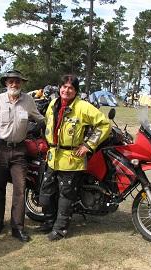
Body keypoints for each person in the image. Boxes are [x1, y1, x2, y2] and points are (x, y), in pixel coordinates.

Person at [38, 74, 111, 241]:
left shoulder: (83, 107)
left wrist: (88, 145)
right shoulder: (53, 104)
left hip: (72, 160)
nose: (66, 90)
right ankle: (49, 221)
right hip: (53, 156)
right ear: (59, 88)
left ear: (76, 90)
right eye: (64, 86)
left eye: (70, 87)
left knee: (66, 196)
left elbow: (104, 124)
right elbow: (48, 124)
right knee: (46, 192)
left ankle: (60, 229)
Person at [0, 69, 44, 242]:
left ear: (21, 83)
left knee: (20, 189)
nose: (14, 84)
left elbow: (40, 119)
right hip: (0, 149)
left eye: (17, 81)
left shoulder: (29, 100)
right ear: (6, 83)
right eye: (11, 81)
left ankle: (18, 228)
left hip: (20, 151)